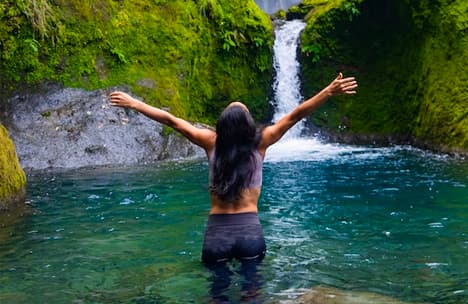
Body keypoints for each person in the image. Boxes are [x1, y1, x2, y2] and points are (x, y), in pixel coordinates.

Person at [109, 72, 357, 302]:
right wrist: (328, 91)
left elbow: (172, 121)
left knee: (217, 295)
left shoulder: (210, 142)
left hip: (217, 235)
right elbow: (295, 116)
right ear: (248, 125)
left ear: (222, 125)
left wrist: (135, 103)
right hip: (250, 233)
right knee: (252, 293)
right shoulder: (261, 142)